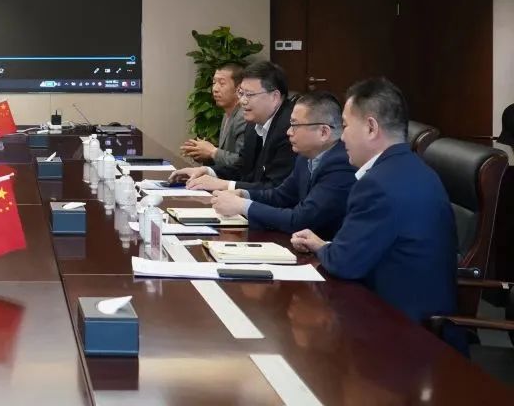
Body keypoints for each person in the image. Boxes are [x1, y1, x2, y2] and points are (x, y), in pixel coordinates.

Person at [291, 78, 458, 326]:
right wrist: (323, 246)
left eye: (345, 126)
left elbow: (344, 263)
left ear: (371, 128)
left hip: (402, 328)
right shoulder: (412, 168)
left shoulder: (377, 185)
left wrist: (324, 249)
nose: (342, 138)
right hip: (418, 314)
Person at [210, 91, 355, 238]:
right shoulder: (305, 157)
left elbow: (300, 220)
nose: (288, 132)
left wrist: (243, 206)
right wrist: (244, 194)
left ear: (323, 132)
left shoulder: (341, 165)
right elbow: (281, 196)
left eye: (295, 125)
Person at [171, 60, 295, 191]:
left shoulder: (290, 129)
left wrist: (225, 185)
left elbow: (276, 188)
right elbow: (242, 168)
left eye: (249, 94)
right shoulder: (254, 124)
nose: (242, 101)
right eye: (241, 93)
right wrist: (206, 171)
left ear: (274, 97)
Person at [180, 62, 246, 172]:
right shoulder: (226, 114)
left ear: (239, 89)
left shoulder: (243, 116)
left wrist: (212, 152)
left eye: (222, 83)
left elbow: (242, 163)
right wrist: (203, 153)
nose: (215, 89)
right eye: (214, 83)